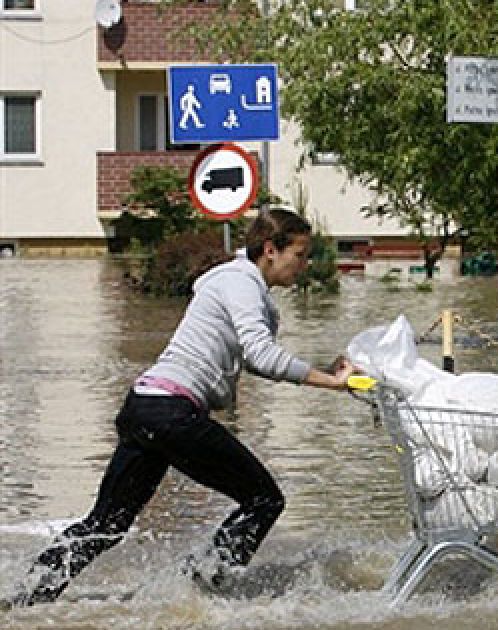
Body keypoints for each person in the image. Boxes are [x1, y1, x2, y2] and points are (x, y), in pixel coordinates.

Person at [3, 208, 357, 609]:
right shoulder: (243, 283)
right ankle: (200, 593)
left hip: (144, 407)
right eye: (301, 254)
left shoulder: (234, 282)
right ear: (271, 250)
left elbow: (250, 359)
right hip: (172, 413)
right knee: (264, 500)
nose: (305, 265)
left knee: (107, 524)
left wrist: (322, 370)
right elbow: (260, 355)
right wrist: (330, 383)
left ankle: (25, 600)